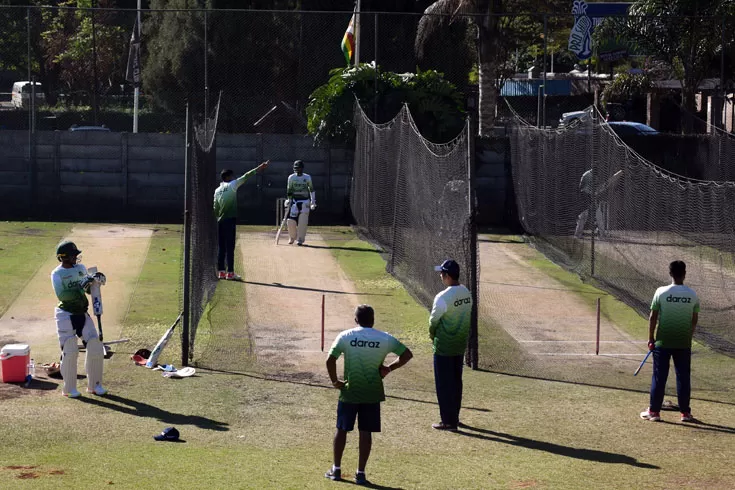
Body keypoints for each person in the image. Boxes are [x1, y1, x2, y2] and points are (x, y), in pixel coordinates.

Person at [325, 304, 413, 485]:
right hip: (372, 394)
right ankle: (361, 473)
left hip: (349, 392)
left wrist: (335, 381)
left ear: (356, 320)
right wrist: (388, 368)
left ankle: (336, 469)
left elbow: (330, 359)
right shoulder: (385, 338)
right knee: (365, 432)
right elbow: (407, 354)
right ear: (373, 321)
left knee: (341, 429)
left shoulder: (346, 336)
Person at [641, 260, 700, 423]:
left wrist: (651, 337)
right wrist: (689, 335)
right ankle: (685, 414)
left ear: (670, 273)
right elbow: (694, 320)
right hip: (683, 342)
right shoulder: (692, 294)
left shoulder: (661, 292)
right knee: (683, 377)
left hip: (662, 342)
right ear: (685, 274)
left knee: (659, 377)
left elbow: (653, 317)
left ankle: (654, 412)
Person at [51, 241, 107, 398]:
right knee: (70, 350)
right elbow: (63, 296)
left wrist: (95, 282)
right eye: (73, 255)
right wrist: (82, 285)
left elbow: (88, 290)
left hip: (82, 313)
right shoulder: (57, 274)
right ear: (64, 257)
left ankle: (95, 386)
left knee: (95, 345)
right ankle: (69, 389)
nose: (76, 257)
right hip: (65, 315)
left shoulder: (81, 269)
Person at [430, 259, 472, 431]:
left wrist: (432, 335)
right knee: (455, 382)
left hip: (444, 348)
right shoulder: (466, 292)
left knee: (444, 385)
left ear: (447, 276)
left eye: (441, 273)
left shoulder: (442, 297)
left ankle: (448, 421)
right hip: (459, 346)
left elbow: (433, 322)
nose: (440, 275)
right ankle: (454, 416)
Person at [213, 160, 269, 280]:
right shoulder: (232, 185)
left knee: (221, 246)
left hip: (220, 221)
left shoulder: (217, 190)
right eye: (232, 176)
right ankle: (230, 273)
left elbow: (215, 208)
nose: (234, 178)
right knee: (230, 246)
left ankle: (221, 272)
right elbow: (246, 176)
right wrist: (259, 167)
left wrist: (219, 217)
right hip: (230, 220)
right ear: (227, 177)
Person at [285, 160, 316, 246]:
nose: (297, 170)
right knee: (290, 221)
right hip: (295, 201)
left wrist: (313, 202)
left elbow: (311, 190)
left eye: (298, 168)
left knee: (303, 220)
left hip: (305, 201)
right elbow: (289, 190)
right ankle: (292, 237)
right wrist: (289, 200)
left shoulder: (307, 177)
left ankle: (300, 239)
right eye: (295, 168)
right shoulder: (291, 177)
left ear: (302, 168)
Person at [574, 168, 605, 239]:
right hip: (585, 197)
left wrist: (598, 192)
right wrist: (585, 196)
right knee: (583, 216)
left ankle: (601, 235)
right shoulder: (586, 175)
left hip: (593, 198)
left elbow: (597, 188)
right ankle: (578, 234)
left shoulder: (598, 175)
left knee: (599, 215)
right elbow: (580, 187)